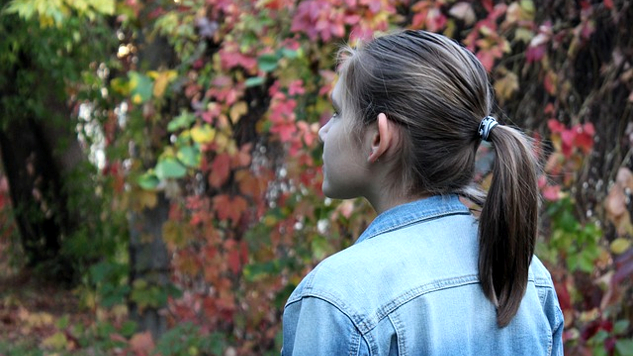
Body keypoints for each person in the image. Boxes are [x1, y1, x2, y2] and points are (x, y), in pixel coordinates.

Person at [281, 30, 564, 355]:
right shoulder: (525, 276)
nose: (322, 132)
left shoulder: (340, 298)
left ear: (377, 139)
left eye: (337, 112)